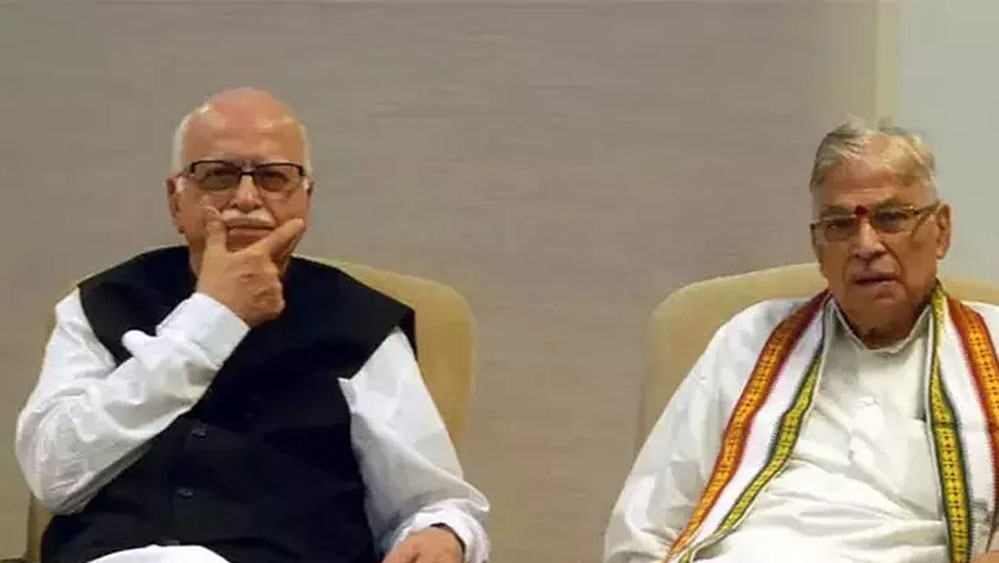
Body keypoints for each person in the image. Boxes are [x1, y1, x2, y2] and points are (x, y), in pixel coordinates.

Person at [15, 88, 489, 563]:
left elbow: (432, 504)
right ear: (176, 200)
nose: (246, 198)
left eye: (273, 177)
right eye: (218, 175)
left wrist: (445, 535)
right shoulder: (100, 304)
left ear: (305, 200)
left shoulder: (360, 325)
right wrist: (212, 319)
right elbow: (55, 475)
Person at [604, 120, 999, 563]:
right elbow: (647, 521)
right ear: (817, 248)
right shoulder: (750, 338)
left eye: (891, 218)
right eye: (839, 225)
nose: (866, 245)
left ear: (941, 230)